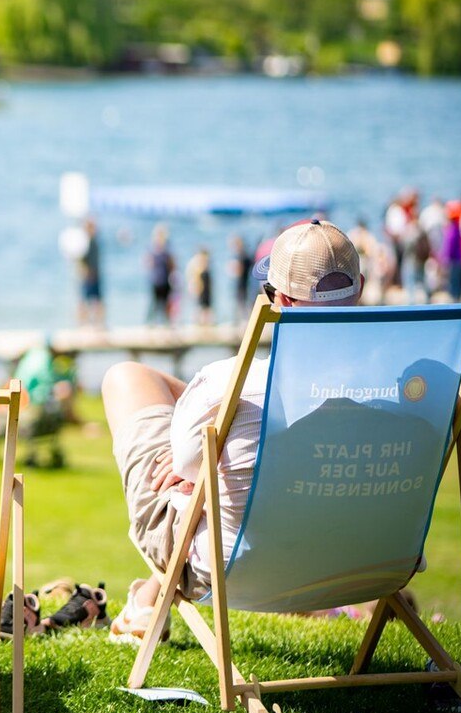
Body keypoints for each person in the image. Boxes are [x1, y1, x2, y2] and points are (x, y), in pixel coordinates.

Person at [103, 220, 364, 642]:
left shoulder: (233, 385)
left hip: (233, 566)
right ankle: (148, 601)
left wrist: (198, 456)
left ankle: (150, 601)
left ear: (278, 299)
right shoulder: (400, 394)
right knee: (207, 462)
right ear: (362, 289)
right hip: (353, 562)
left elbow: (185, 466)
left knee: (124, 377)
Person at [145, 225, 176, 325]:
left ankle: (166, 322)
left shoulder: (167, 250)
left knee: (165, 303)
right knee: (154, 303)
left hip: (165, 280)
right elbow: (147, 263)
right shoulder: (153, 249)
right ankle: (151, 322)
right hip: (156, 280)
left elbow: (172, 264)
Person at [77, 218, 104, 327]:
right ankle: (83, 323)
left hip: (94, 275)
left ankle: (96, 323)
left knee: (95, 301)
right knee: (85, 301)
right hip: (88, 276)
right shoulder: (85, 243)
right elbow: (81, 261)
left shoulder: (93, 241)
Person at [187, 246, 213, 326]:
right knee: (201, 308)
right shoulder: (197, 267)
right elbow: (193, 279)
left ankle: (203, 324)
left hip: (205, 291)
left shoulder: (203, 267)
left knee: (205, 308)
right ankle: (199, 324)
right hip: (202, 291)